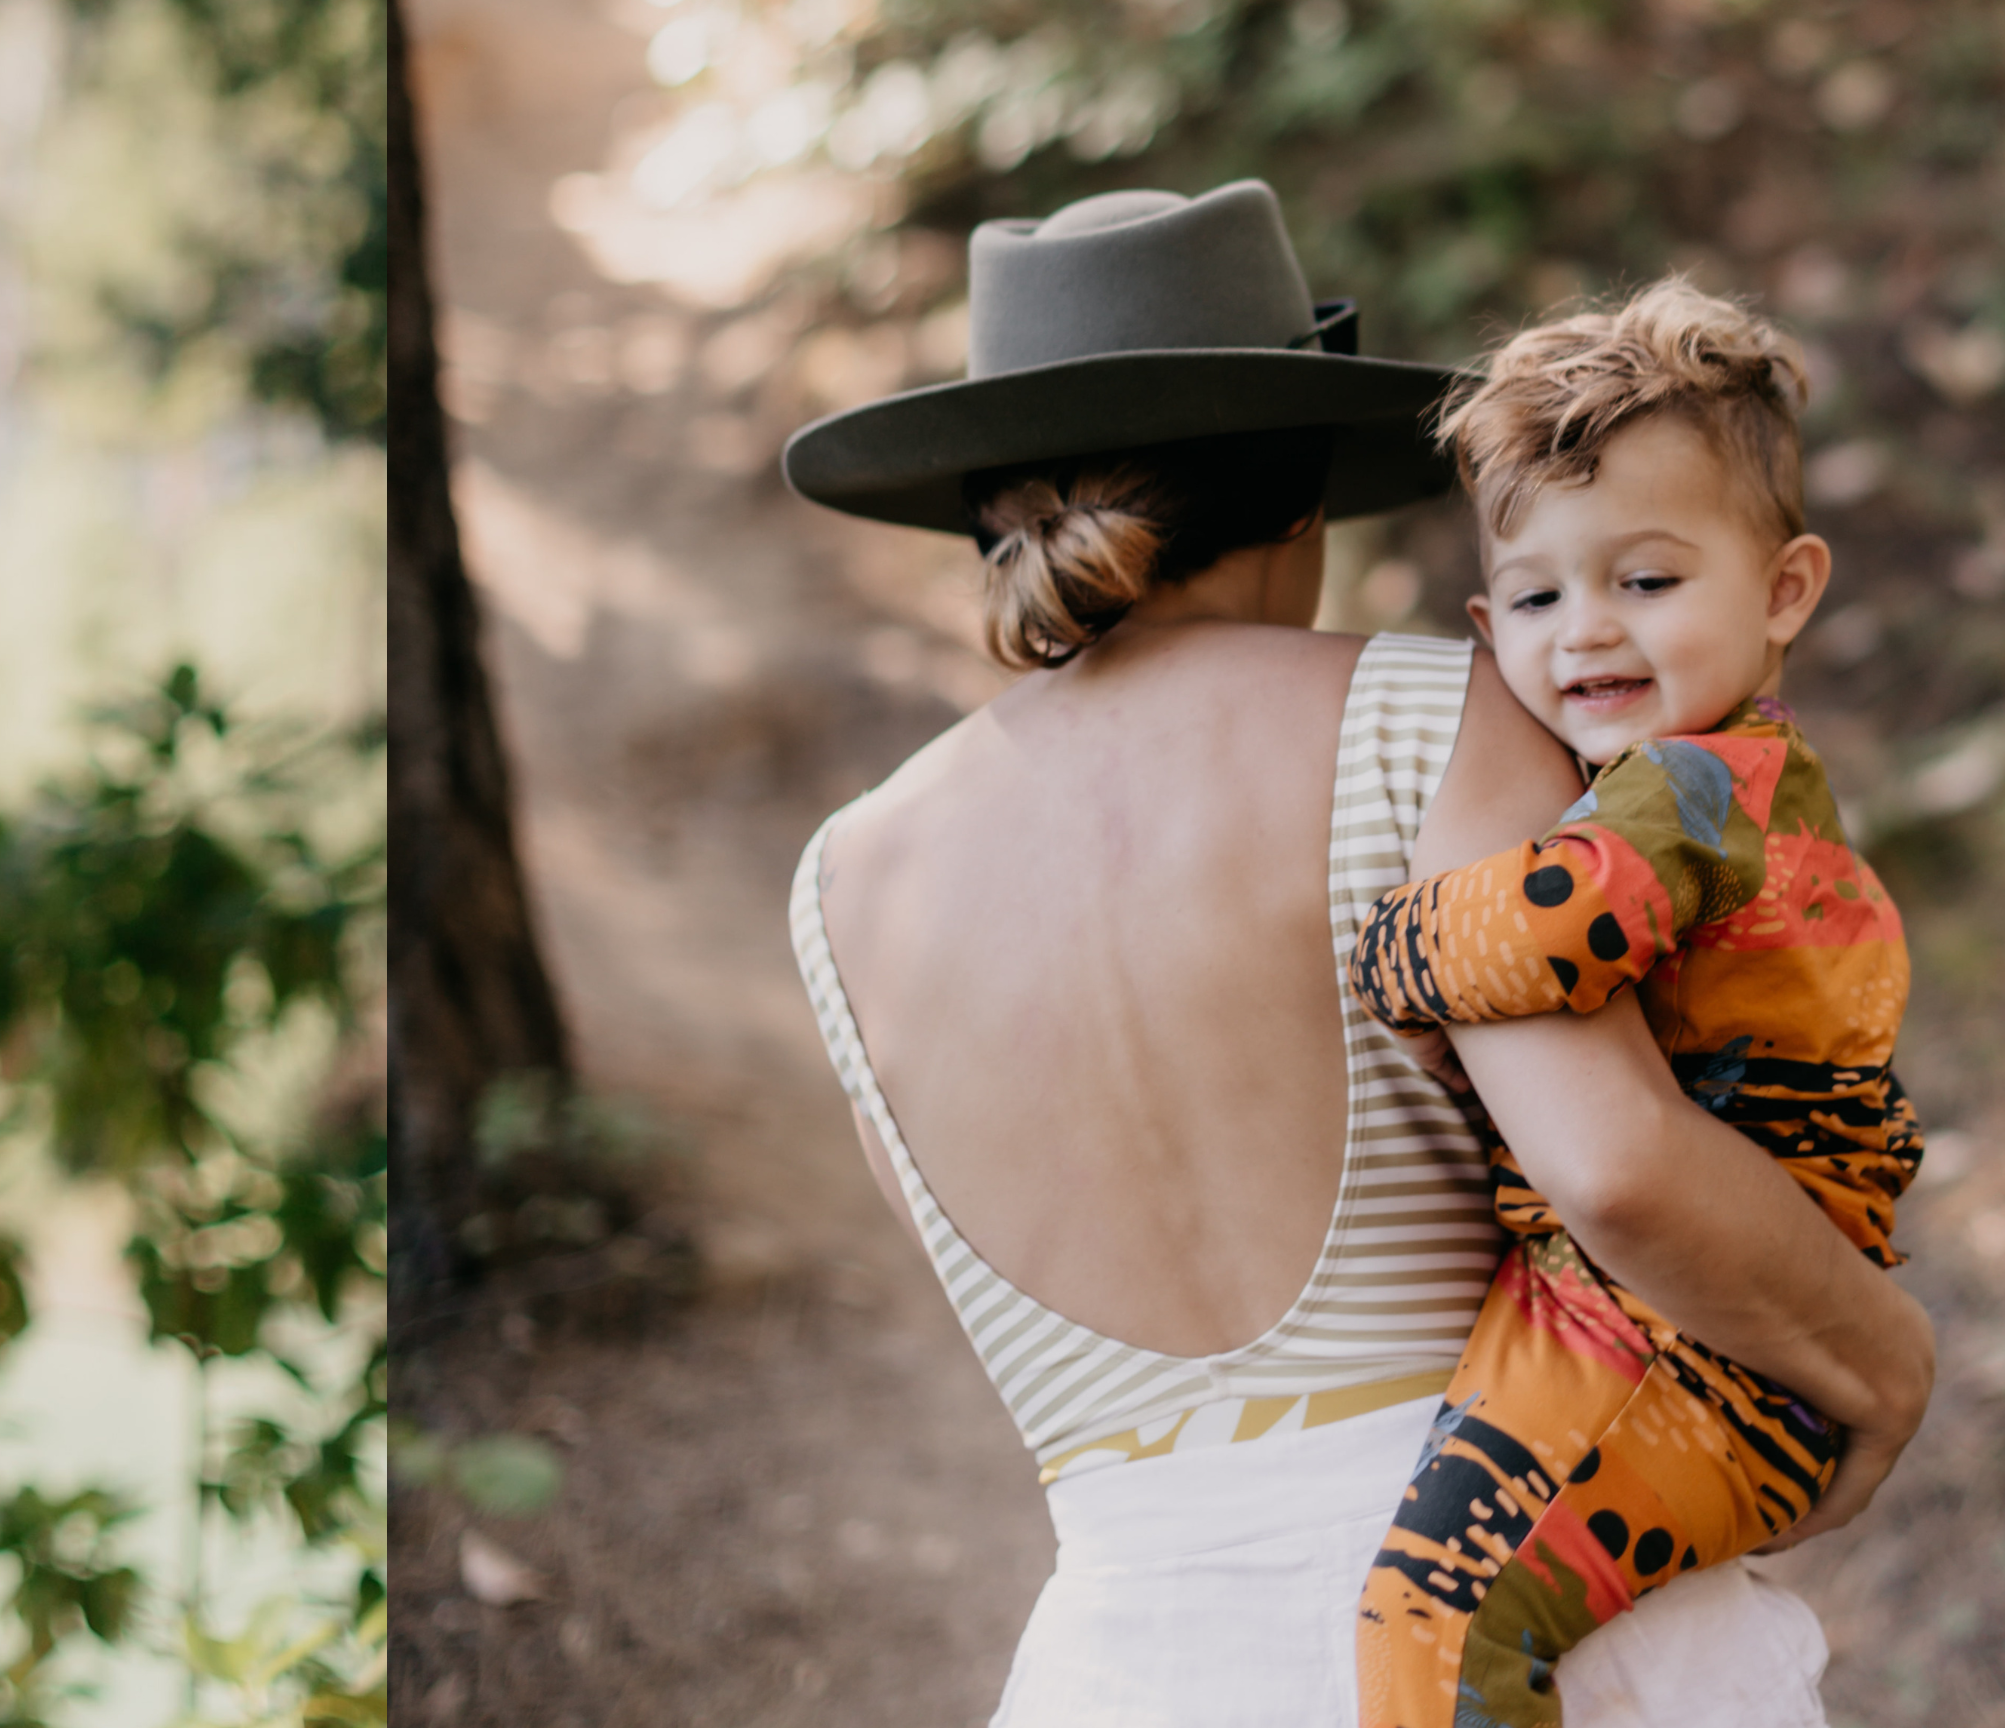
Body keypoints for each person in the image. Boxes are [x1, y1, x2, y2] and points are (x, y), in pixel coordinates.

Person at [771, 181, 1929, 1722]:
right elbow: (1617, 1169)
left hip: (1129, 1665)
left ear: (997, 510)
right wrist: (1885, 1363)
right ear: (1308, 493)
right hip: (1509, 1589)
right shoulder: (1424, 714)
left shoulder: (842, 879)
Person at [1343, 281, 1919, 1726]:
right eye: (1540, 598)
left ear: (1785, 590)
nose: (1586, 632)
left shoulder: (1704, 790)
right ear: (1488, 617)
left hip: (1703, 1340)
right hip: (1641, 1315)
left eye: (1648, 583)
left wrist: (1391, 952)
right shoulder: (1645, 784)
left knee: (1442, 1623)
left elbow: (1553, 932)